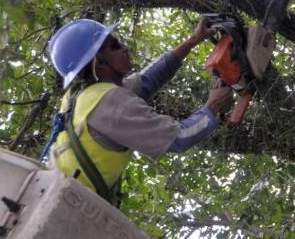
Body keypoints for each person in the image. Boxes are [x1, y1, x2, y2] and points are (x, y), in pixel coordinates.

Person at [43, 17, 234, 203]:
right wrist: (212, 108)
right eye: (115, 46)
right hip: (73, 207)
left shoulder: (84, 95)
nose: (125, 48)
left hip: (57, 196)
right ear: (98, 62)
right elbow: (179, 138)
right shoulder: (109, 103)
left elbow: (147, 80)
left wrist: (193, 40)